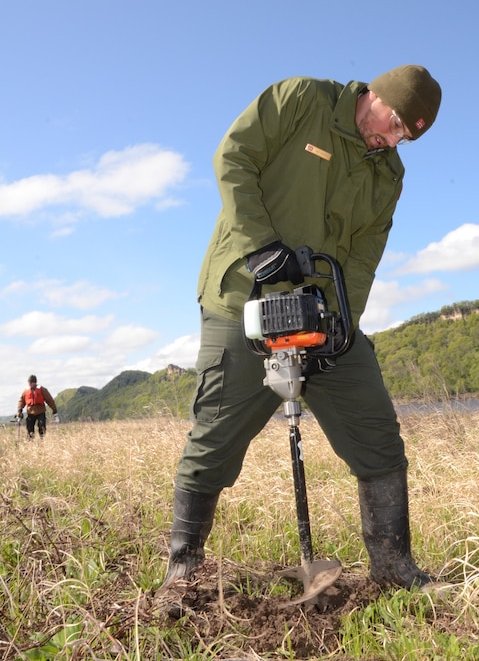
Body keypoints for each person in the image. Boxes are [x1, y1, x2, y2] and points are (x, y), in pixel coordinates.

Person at [158, 65, 442, 595]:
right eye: (395, 121)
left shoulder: (388, 173)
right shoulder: (302, 99)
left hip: (322, 314)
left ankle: (394, 569)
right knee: (214, 437)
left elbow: (362, 256)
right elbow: (232, 157)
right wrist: (261, 247)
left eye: (406, 135)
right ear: (376, 94)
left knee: (377, 432)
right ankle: (184, 570)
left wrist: (341, 321)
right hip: (245, 297)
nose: (393, 138)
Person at [16, 374, 59, 439]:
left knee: (41, 426)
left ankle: (42, 439)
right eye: (29, 382)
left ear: (35, 382)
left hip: (40, 412)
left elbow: (49, 400)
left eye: (31, 382)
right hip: (30, 412)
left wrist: (54, 409)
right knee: (29, 428)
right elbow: (22, 401)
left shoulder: (42, 389)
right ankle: (30, 441)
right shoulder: (26, 391)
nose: (29, 384)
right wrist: (19, 409)